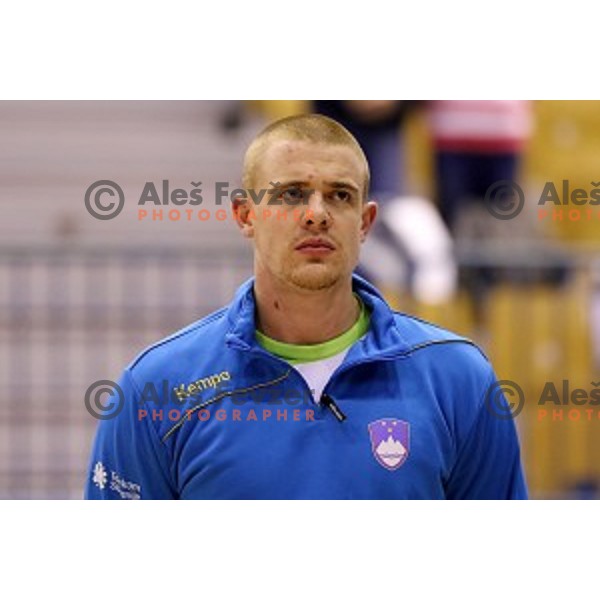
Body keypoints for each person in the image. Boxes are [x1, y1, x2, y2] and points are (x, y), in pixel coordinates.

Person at [85, 114, 527, 500]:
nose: (316, 214)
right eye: (292, 194)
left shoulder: (458, 379)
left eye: (339, 196)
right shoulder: (157, 388)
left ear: (366, 222)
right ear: (245, 216)